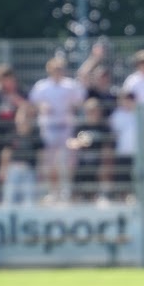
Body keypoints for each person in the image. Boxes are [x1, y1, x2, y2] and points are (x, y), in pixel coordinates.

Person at [28, 56, 87, 199]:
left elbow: (81, 100)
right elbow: (32, 103)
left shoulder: (70, 85)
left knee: (68, 161)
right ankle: (52, 192)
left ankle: (66, 190)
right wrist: (41, 107)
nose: (58, 71)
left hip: (66, 127)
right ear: (49, 70)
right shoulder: (42, 86)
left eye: (60, 68)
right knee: (50, 162)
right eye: (55, 69)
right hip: (48, 128)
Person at [0, 104, 42, 204]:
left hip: (29, 170)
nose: (23, 119)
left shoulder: (35, 135)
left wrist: (40, 171)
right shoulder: (11, 134)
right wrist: (2, 170)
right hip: (13, 170)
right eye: (21, 115)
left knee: (29, 201)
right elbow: (6, 153)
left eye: (26, 116)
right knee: (9, 198)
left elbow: (40, 154)